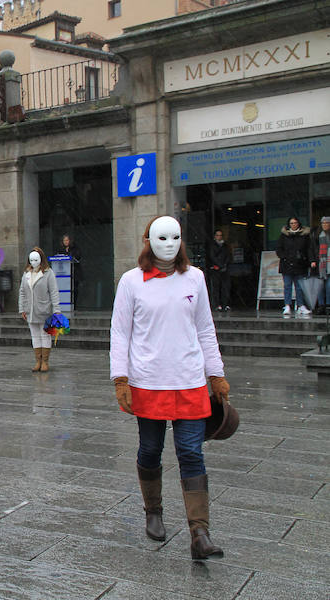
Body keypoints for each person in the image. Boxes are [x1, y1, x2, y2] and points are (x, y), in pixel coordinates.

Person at [110, 215, 229, 561]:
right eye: (162, 238)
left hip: (189, 380)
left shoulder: (196, 278)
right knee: (150, 450)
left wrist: (216, 374)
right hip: (147, 381)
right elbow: (121, 333)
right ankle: (154, 510)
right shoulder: (132, 282)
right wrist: (121, 379)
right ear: (149, 240)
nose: (169, 244)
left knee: (192, 453)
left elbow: (205, 328)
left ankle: (199, 532)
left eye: (175, 237)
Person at [18, 247, 60, 372]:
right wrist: (22, 309)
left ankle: (45, 362)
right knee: (35, 336)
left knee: (45, 335)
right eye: (31, 260)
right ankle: (38, 361)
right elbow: (22, 292)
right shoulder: (26, 274)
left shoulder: (48, 273)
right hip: (30, 310)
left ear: (41, 259)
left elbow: (54, 292)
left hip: (44, 310)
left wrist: (56, 309)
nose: (33, 262)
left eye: (36, 260)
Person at [276, 216, 311, 316]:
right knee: (287, 286)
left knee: (299, 287)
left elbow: (308, 249)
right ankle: (287, 305)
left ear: (298, 223)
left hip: (300, 265)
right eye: (291, 223)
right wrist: (285, 257)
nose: (293, 225)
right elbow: (279, 249)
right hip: (287, 265)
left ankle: (300, 305)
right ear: (289, 224)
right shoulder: (284, 236)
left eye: (295, 223)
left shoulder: (304, 235)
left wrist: (305, 259)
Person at [206, 229, 231, 312]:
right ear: (214, 236)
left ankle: (225, 304)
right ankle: (217, 304)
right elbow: (212, 256)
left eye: (220, 235)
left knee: (225, 287)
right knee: (216, 287)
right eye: (217, 235)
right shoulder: (212, 245)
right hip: (215, 269)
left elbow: (228, 256)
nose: (219, 237)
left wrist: (225, 265)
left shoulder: (225, 246)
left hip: (224, 269)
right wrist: (219, 265)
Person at [310, 216, 330, 314]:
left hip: (329, 264)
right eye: (323, 223)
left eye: (327, 223)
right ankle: (321, 305)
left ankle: (328, 305)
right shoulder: (317, 235)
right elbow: (312, 249)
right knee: (320, 286)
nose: (325, 225)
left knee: (329, 286)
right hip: (320, 264)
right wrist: (313, 260)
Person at [60, 234, 82, 303]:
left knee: (74, 288)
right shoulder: (61, 249)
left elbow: (77, 257)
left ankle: (74, 304)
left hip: (74, 272)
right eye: (64, 240)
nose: (66, 242)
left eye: (67, 240)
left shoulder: (75, 248)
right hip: (64, 273)